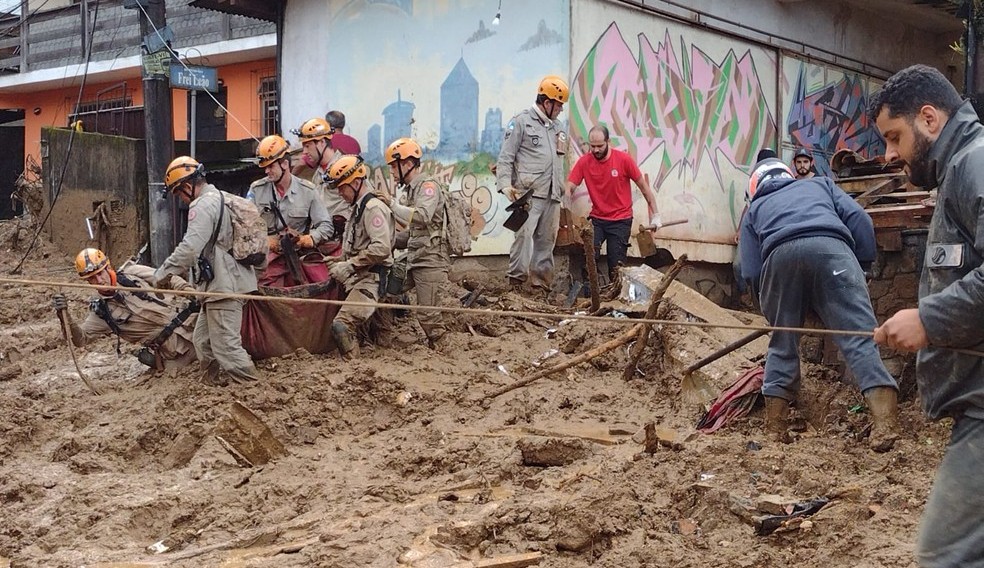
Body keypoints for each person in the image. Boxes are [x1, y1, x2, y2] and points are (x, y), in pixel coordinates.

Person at [869, 64, 984, 567]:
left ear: (930, 118)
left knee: (946, 556)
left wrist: (929, 320)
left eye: (895, 137)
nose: (888, 154)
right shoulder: (960, 168)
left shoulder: (973, 165)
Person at [738, 155, 899, 450]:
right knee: (860, 337)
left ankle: (775, 429)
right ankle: (886, 425)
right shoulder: (821, 185)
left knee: (782, 342)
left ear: (755, 187)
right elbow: (860, 219)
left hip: (780, 259)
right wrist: (861, 264)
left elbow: (749, 269)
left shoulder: (754, 209)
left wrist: (773, 304)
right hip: (834, 251)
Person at [154, 155, 261, 384]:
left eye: (178, 193)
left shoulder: (203, 205)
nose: (180, 199)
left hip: (224, 284)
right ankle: (211, 388)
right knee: (203, 340)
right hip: (218, 285)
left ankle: (252, 389)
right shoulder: (220, 197)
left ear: (187, 186)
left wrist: (162, 274)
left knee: (226, 347)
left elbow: (190, 248)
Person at [51, 248, 199, 371]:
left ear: (108, 267)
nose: (100, 281)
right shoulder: (102, 313)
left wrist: (187, 290)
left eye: (100, 273)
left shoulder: (133, 272)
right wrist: (64, 316)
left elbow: (167, 278)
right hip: (177, 353)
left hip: (194, 325)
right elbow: (80, 339)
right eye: (92, 278)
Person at [496, 75, 569, 297]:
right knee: (523, 239)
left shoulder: (558, 127)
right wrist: (505, 186)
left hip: (552, 194)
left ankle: (541, 287)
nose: (560, 110)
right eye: (558, 105)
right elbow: (506, 157)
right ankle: (516, 285)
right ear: (546, 102)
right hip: (529, 195)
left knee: (547, 242)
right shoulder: (520, 122)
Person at [379, 137, 449, 349]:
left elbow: (422, 217)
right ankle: (383, 339)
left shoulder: (428, 187)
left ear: (408, 164)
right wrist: (388, 241)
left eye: (393, 166)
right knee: (387, 292)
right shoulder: (411, 190)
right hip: (414, 257)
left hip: (430, 260)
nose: (391, 172)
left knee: (428, 315)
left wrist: (390, 204)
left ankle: (442, 350)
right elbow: (413, 233)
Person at [322, 154, 394, 360]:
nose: (340, 192)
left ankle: (353, 367)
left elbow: (381, 248)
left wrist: (350, 265)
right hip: (363, 277)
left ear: (355, 182)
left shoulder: (372, 208)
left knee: (341, 325)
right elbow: (360, 246)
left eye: (342, 187)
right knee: (376, 338)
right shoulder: (359, 208)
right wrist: (340, 261)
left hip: (372, 280)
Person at [566, 125, 659, 280]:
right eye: (592, 146)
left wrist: (656, 214)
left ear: (608, 142)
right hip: (597, 219)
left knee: (616, 266)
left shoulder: (623, 160)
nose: (595, 150)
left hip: (620, 220)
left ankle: (614, 298)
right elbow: (570, 186)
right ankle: (590, 298)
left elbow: (644, 187)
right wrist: (566, 200)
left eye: (599, 146)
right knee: (589, 259)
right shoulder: (584, 162)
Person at [247, 134, 333, 285]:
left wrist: (308, 239)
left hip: (297, 259)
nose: (266, 171)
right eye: (265, 167)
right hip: (266, 261)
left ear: (285, 164)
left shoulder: (308, 191)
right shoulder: (256, 190)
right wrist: (266, 241)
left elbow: (326, 226)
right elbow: (246, 227)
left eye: (270, 166)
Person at [295, 117, 350, 238]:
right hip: (324, 238)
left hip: (343, 240)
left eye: (307, 145)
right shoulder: (318, 175)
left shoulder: (346, 168)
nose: (304, 151)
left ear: (322, 142)